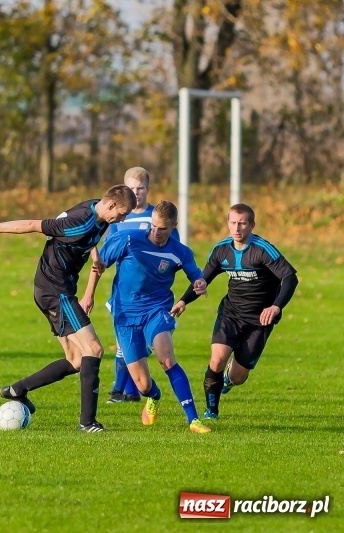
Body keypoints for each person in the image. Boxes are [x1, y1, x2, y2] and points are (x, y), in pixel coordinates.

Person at [0, 185, 136, 433]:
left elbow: (91, 237)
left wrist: (94, 261)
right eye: (123, 214)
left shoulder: (97, 208)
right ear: (110, 206)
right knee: (93, 350)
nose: (123, 219)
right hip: (56, 291)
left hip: (55, 289)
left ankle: (17, 389)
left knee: (76, 360)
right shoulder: (79, 222)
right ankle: (87, 423)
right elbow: (32, 225)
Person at [85, 200, 211, 433]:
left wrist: (200, 282)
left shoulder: (180, 251)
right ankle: (154, 396)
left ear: (174, 226)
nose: (156, 232)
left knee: (166, 358)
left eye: (162, 228)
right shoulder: (130, 239)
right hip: (125, 315)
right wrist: (88, 295)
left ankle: (193, 420)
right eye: (153, 226)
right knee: (142, 385)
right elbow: (98, 265)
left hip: (157, 309)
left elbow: (196, 275)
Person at [172, 203, 298, 420]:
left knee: (239, 377)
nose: (237, 228)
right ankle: (211, 410)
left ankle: (229, 380)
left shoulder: (262, 250)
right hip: (230, 314)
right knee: (217, 359)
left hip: (260, 319)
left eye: (242, 223)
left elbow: (290, 278)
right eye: (233, 223)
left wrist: (276, 306)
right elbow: (203, 279)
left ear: (251, 225)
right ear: (228, 224)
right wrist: (184, 300)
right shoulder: (221, 249)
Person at [102, 167, 179, 404]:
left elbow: (172, 251)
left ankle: (129, 390)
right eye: (131, 189)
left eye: (140, 188)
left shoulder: (156, 217)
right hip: (124, 293)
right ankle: (123, 390)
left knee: (141, 345)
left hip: (152, 296)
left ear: (148, 188)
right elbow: (108, 251)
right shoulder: (118, 218)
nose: (136, 193)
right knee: (124, 343)